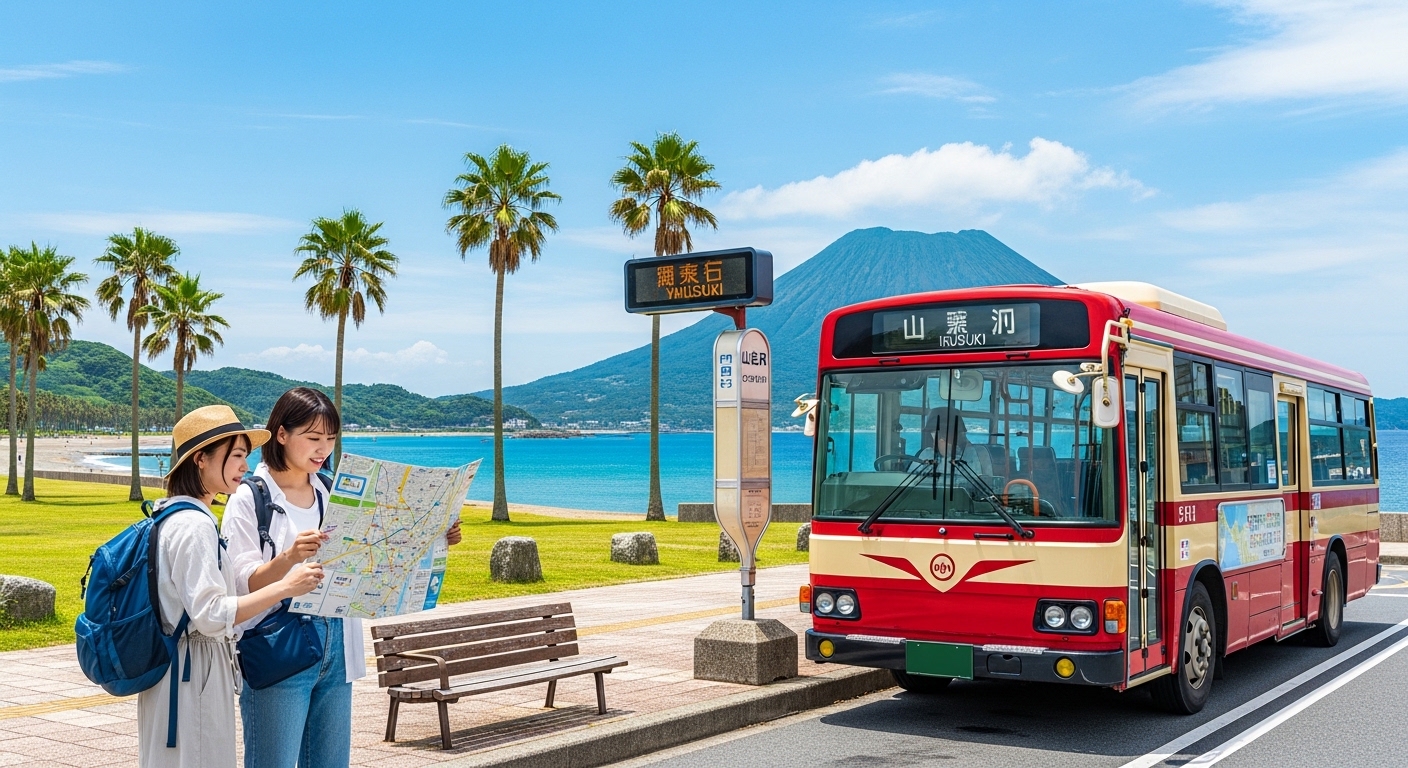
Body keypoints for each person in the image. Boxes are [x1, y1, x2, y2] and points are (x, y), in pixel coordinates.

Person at [223, 387, 462, 767]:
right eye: (313, 438)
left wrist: (436, 535)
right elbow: (242, 584)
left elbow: (380, 548)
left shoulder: (333, 490)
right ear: (281, 434)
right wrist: (290, 558)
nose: (323, 449)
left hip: (337, 644)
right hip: (279, 646)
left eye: (330, 439)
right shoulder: (250, 498)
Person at [138, 405, 323, 768]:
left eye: (246, 456)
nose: (244, 466)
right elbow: (211, 614)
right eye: (236, 455)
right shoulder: (193, 526)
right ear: (200, 460)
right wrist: (286, 586)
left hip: (181, 668)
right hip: (195, 673)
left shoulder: (173, 515)